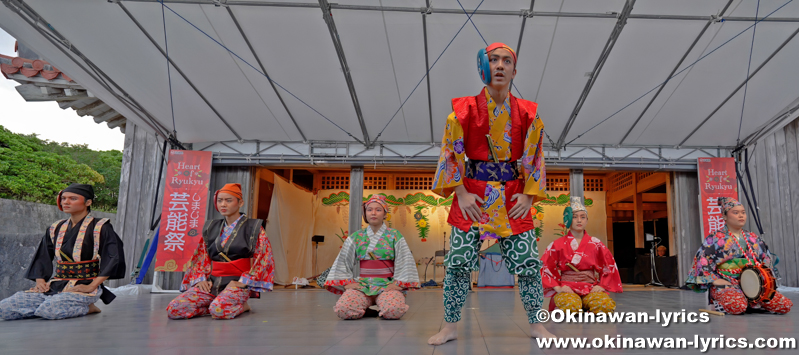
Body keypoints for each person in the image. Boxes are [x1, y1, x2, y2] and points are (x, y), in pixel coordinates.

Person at [428, 42, 554, 345]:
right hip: (472, 194)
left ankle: (538, 325)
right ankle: (449, 326)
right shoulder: (462, 112)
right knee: (457, 263)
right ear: (483, 67)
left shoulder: (528, 114)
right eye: (493, 60)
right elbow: (451, 153)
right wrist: (459, 192)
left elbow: (535, 155)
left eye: (506, 61)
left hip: (513, 196)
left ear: (514, 70)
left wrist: (528, 195)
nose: (499, 65)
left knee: (528, 264)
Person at [0, 183, 126, 320]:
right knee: (4, 308)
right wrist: (40, 281)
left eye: (73, 198)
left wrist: (91, 286)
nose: (66, 202)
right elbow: (42, 256)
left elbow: (113, 257)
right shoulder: (55, 228)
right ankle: (45, 304)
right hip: (56, 284)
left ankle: (89, 307)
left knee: (50, 310)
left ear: (88, 202)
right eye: (63, 198)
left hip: (84, 285)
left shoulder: (100, 226)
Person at [166, 183, 274, 320]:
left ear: (240, 202)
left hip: (237, 284)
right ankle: (214, 305)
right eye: (220, 200)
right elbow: (201, 256)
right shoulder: (211, 227)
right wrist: (201, 279)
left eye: (228, 200)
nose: (223, 204)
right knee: (175, 309)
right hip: (212, 282)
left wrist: (243, 282)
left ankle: (242, 305)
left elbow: (264, 258)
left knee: (219, 311)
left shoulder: (254, 227)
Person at [686, 197, 792, 315]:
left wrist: (764, 279)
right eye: (735, 213)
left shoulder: (752, 237)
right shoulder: (715, 238)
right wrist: (715, 280)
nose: (741, 216)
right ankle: (723, 301)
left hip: (753, 283)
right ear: (724, 216)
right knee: (738, 306)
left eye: (743, 212)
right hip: (728, 282)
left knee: (784, 305)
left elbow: (766, 260)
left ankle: (752, 300)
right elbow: (702, 260)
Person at [324, 195, 420, 320]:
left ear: (385, 214)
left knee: (394, 310)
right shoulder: (356, 236)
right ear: (365, 213)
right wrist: (347, 283)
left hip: (387, 285)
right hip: (363, 285)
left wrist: (399, 284)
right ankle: (367, 310)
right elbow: (343, 260)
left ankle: (384, 307)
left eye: (378, 210)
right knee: (344, 309)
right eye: (369, 210)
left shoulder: (394, 235)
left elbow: (405, 260)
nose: (373, 213)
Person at [541, 197, 622, 314]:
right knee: (570, 305)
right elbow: (545, 267)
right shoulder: (557, 244)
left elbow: (609, 266)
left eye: (582, 217)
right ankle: (580, 306)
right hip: (567, 287)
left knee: (606, 306)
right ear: (567, 219)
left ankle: (584, 305)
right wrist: (558, 288)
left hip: (590, 287)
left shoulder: (596, 243)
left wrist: (602, 286)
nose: (579, 220)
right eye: (574, 217)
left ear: (587, 220)